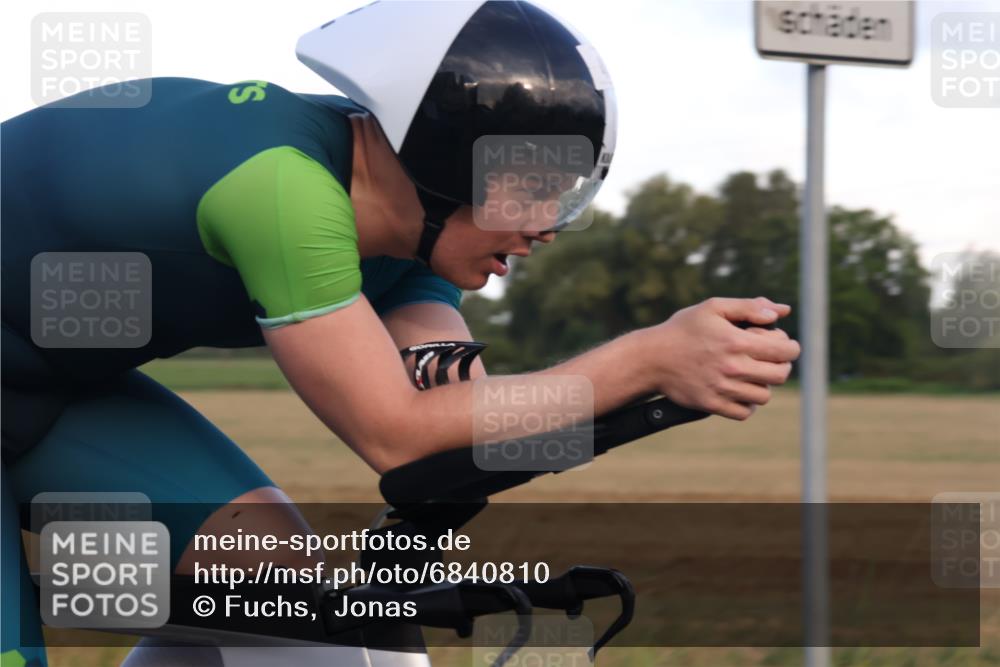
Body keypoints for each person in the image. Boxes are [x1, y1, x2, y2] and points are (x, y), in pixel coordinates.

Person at [0, 1, 800, 665]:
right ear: (440, 161)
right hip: (44, 388)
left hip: (50, 396)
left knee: (285, 598)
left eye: (566, 200)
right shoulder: (282, 190)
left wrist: (518, 405)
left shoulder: (402, 240)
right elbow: (396, 434)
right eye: (533, 192)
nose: (548, 228)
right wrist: (651, 355)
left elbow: (454, 409)